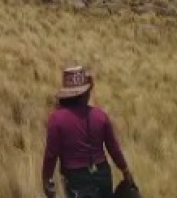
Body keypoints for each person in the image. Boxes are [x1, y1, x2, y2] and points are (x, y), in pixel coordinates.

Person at [42, 66, 134, 198]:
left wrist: (47, 179)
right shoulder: (100, 115)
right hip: (102, 173)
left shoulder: (56, 119)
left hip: (76, 178)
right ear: (85, 93)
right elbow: (113, 148)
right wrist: (125, 170)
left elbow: (51, 154)